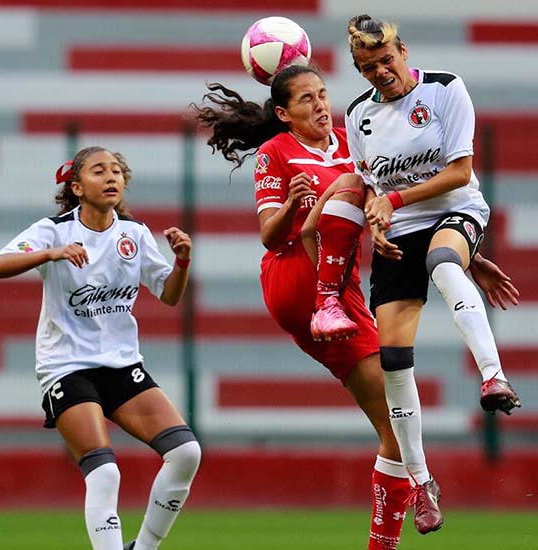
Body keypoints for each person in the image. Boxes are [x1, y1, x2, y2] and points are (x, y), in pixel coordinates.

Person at [192, 64, 519, 547]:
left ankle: (395, 522)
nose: (320, 105)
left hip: (340, 281)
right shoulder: (275, 152)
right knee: (394, 418)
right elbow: (268, 235)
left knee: (394, 423)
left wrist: (472, 257)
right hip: (298, 277)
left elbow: (398, 207)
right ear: (283, 113)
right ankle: (401, 513)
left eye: (322, 94)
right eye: (306, 99)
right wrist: (293, 204)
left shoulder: (352, 141)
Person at [344, 14, 522, 534]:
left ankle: (493, 376)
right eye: (368, 67)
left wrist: (393, 199)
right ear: (358, 70)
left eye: (386, 60)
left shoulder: (445, 89)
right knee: (394, 361)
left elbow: (459, 171)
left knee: (443, 262)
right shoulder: (358, 116)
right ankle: (422, 484)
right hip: (398, 231)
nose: (381, 72)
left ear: (403, 50)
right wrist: (377, 219)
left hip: (454, 210)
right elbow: (369, 185)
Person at [0, 146, 200, 550]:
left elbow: (169, 296)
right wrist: (51, 253)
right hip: (67, 366)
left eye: (118, 170)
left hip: (121, 365)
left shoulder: (134, 235)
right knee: (105, 473)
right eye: (100, 170)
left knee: (187, 452)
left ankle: (143, 547)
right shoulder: (55, 230)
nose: (112, 177)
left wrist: (183, 263)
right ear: (76, 186)